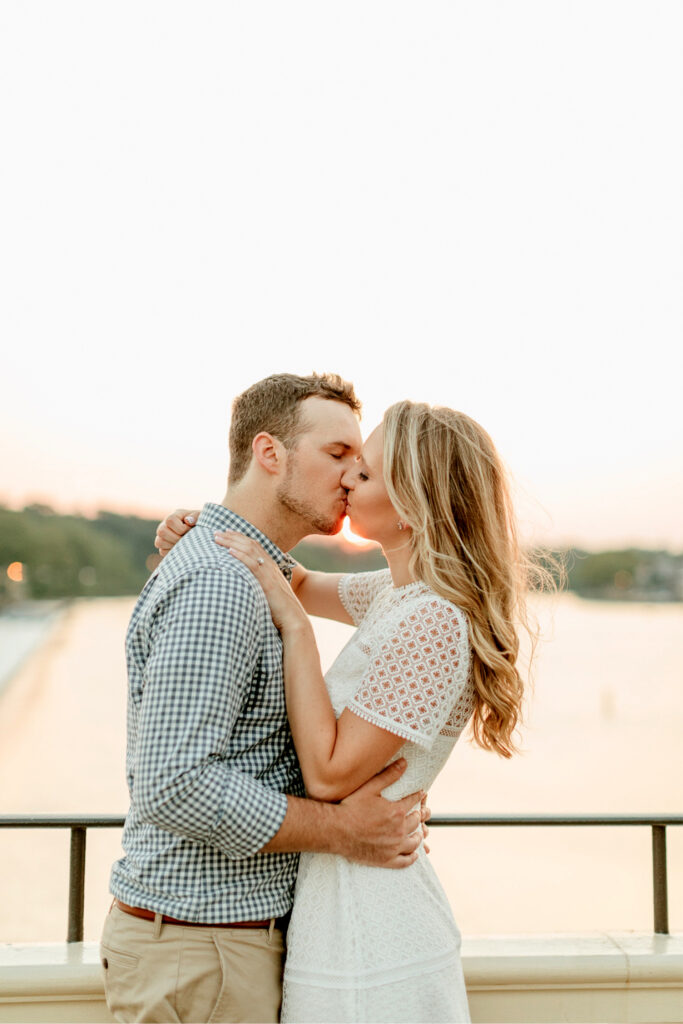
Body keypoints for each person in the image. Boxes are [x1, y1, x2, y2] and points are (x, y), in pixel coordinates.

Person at [158, 399, 552, 1023]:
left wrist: (297, 630)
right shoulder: (397, 594)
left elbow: (330, 776)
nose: (347, 478)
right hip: (336, 902)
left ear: (413, 505)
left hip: (374, 921)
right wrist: (198, 528)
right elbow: (291, 577)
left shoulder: (432, 621)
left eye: (364, 472)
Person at [101, 373, 428, 1024]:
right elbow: (175, 784)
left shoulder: (252, 567)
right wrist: (341, 831)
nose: (350, 476)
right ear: (268, 452)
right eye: (337, 456)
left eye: (359, 463)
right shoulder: (222, 584)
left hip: (214, 946)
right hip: (201, 948)